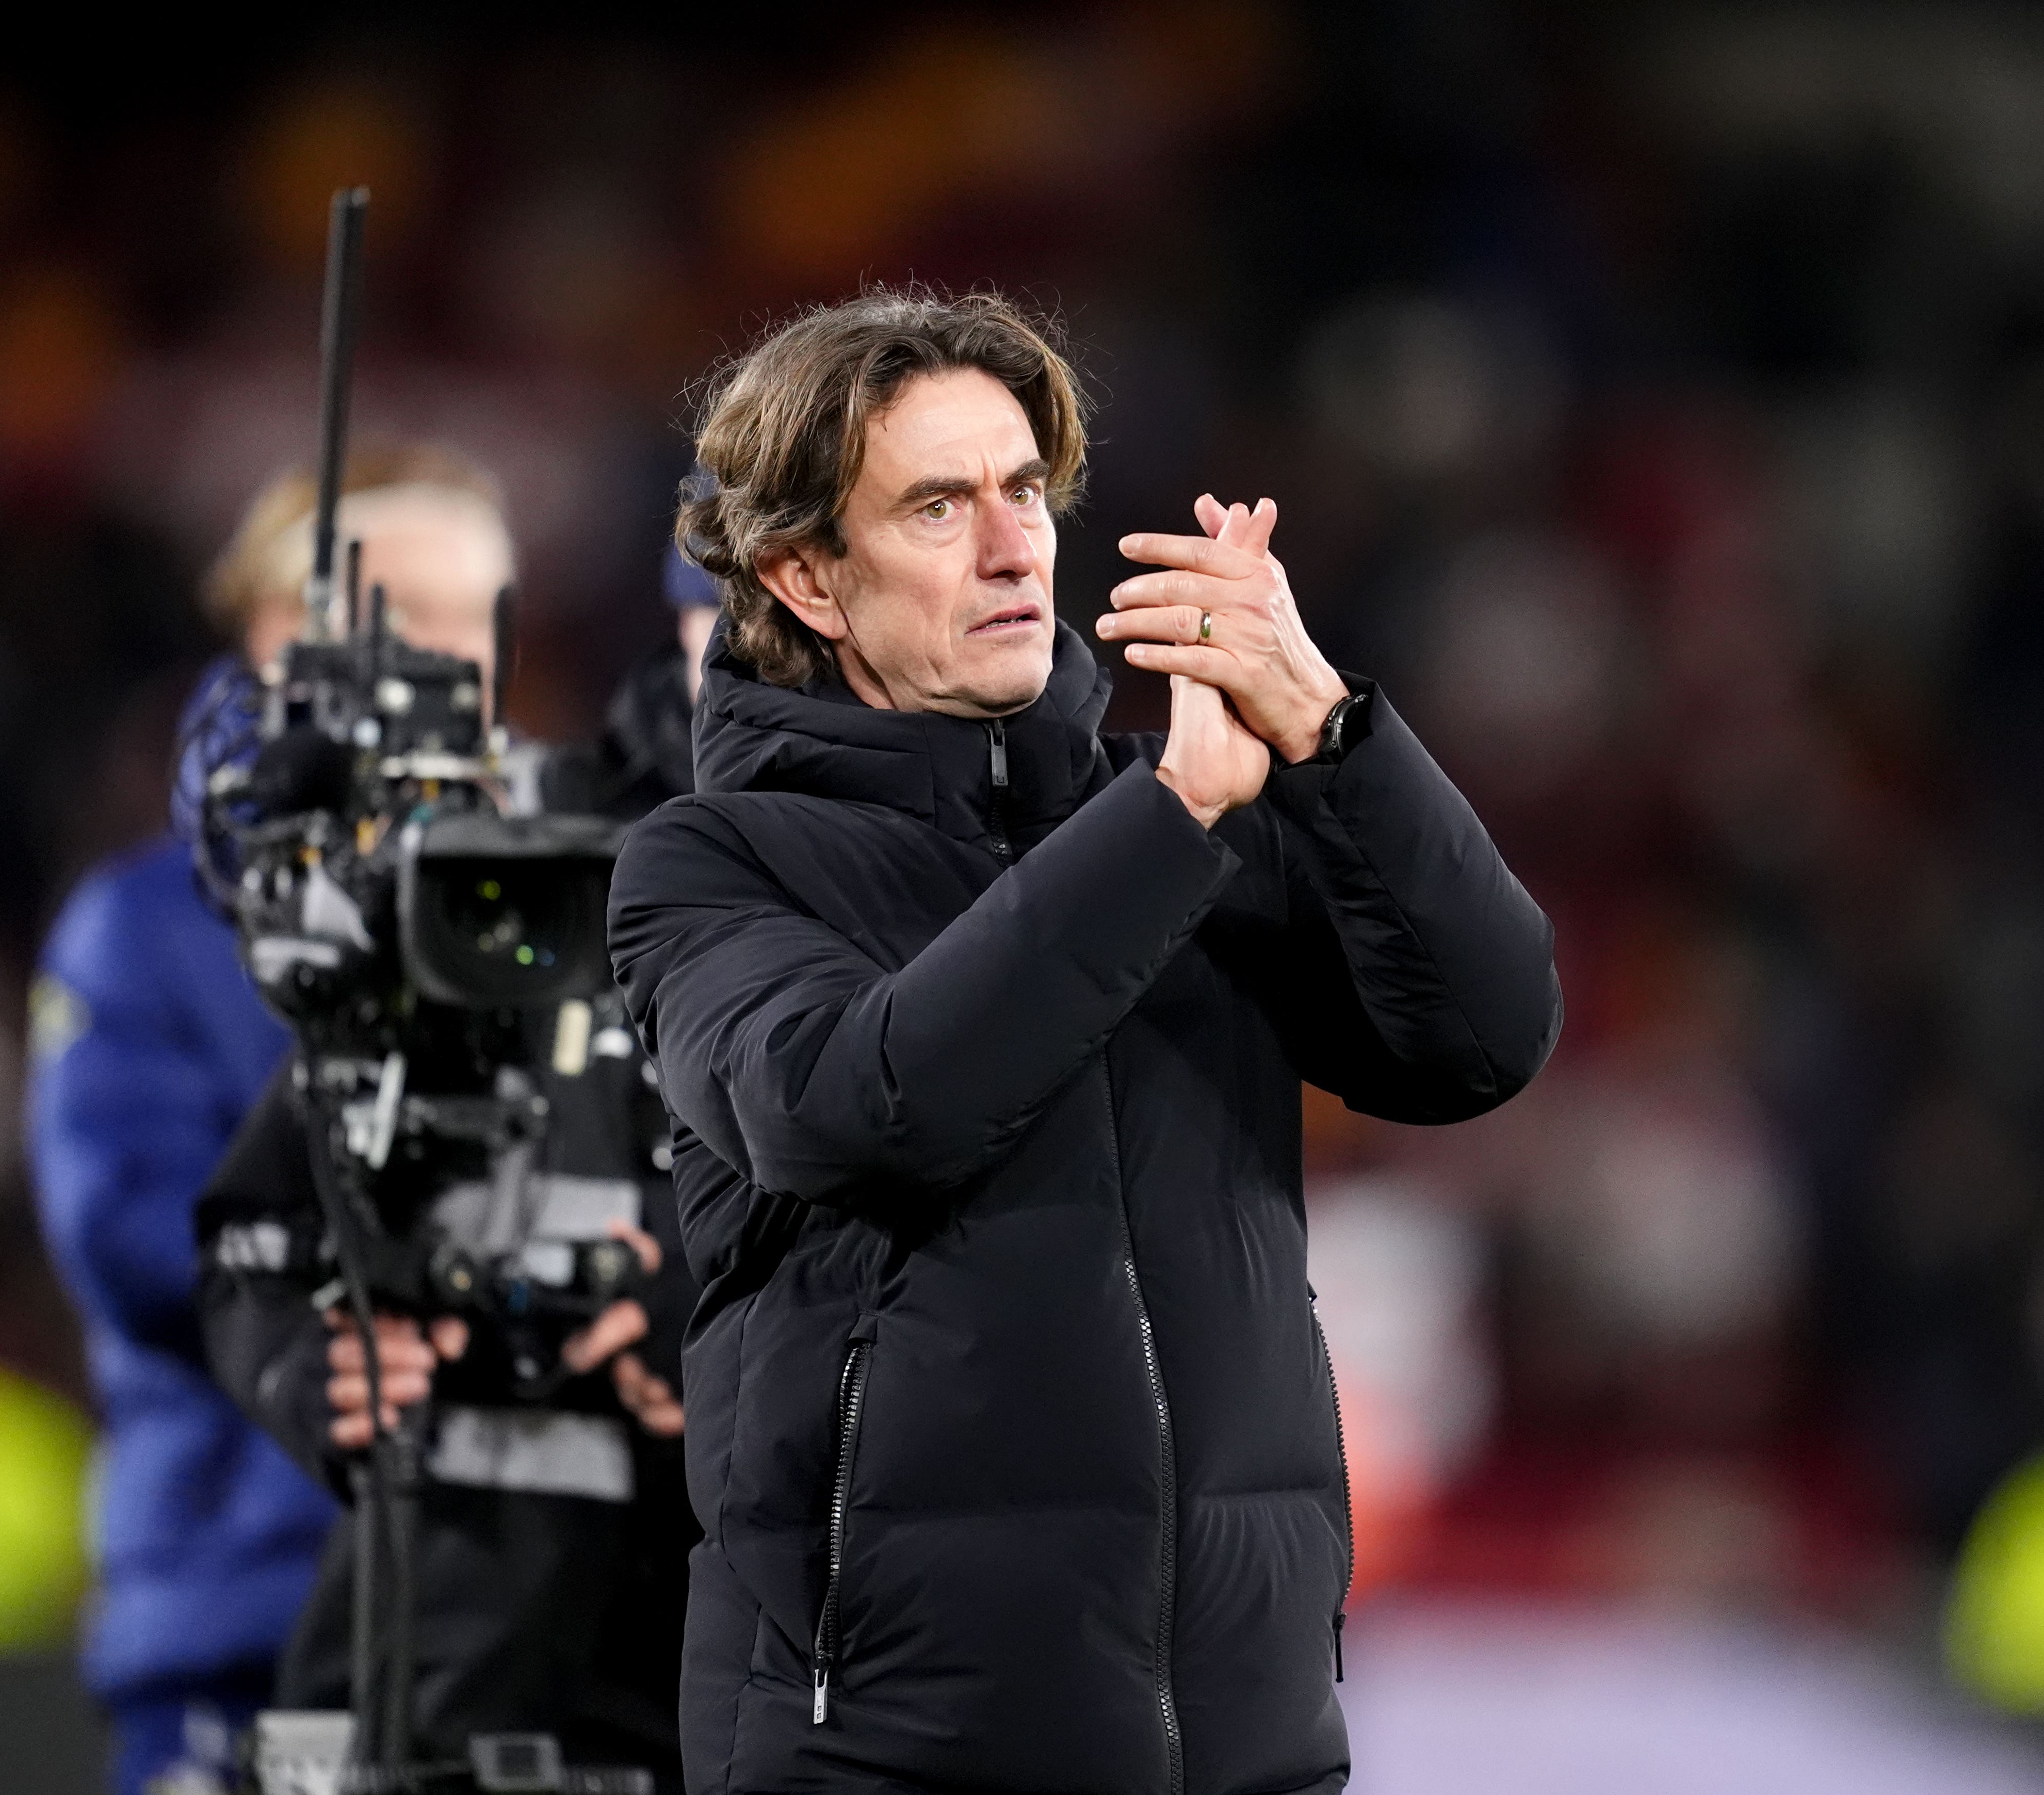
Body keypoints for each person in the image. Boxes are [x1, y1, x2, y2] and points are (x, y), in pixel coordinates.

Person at [606, 289, 1562, 1795]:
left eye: (1022, 494)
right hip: (883, 1757)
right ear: (805, 577)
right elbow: (860, 1107)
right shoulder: (712, 863)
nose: (1011, 548)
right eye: (936, 507)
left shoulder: (1191, 808)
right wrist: (1171, 816)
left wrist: (1331, 732)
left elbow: (1482, 1039)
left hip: (1245, 1746)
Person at [192, 472, 711, 1778]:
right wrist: (305, 1372)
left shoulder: (959, 871)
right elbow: (258, 1222)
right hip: (457, 1612)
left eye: (459, 621)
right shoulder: (509, 883)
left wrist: (715, 1312)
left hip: (763, 1634)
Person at [28, 441, 527, 1795]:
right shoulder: (142, 924)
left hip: (521, 1612)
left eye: (476, 615)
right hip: (243, 1592)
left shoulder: (552, 897)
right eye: (403, 616)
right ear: (272, 633)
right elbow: (128, 1230)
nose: (451, 658)